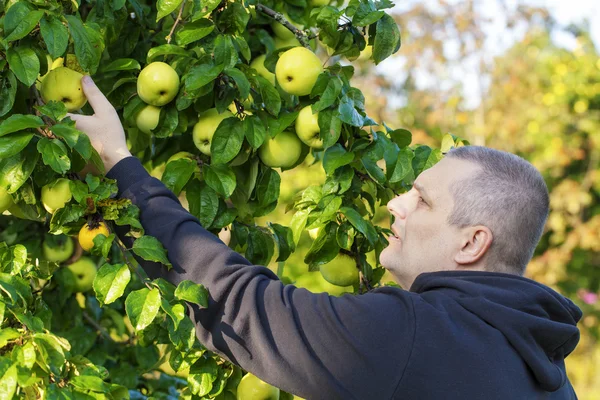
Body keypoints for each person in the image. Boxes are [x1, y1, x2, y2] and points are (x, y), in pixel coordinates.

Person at [68, 76, 582, 400]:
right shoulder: (550, 374)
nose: (395, 205)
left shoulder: (411, 338)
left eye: (422, 200)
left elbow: (238, 304)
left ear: (472, 243)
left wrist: (120, 165)